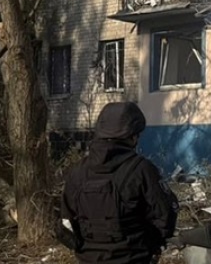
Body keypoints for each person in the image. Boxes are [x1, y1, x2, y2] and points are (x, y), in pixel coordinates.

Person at [61, 102, 178, 264]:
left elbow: (65, 222)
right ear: (132, 137)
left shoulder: (77, 172)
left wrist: (86, 249)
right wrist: (152, 245)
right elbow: (165, 214)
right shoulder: (142, 169)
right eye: (137, 135)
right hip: (135, 258)